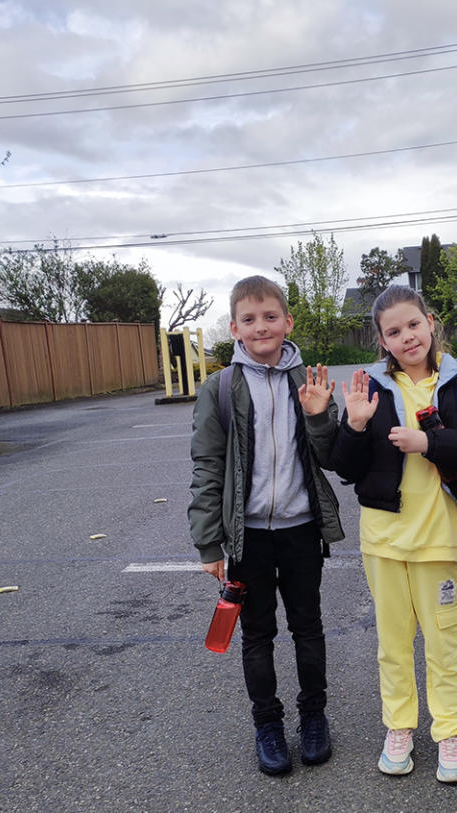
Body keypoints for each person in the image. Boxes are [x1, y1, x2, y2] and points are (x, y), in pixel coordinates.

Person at [330, 285, 457, 784]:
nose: (406, 337)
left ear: (430, 322)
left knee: (443, 643)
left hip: (439, 539)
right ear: (382, 341)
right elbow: (344, 467)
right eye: (393, 332)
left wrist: (430, 441)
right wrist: (355, 427)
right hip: (383, 540)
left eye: (412, 325)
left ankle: (450, 733)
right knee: (393, 643)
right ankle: (399, 727)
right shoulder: (373, 391)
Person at [187, 275, 344, 776]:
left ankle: (314, 718)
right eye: (249, 320)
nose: (261, 327)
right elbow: (207, 464)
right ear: (234, 327)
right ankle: (267, 723)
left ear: (287, 322)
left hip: (301, 528)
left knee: (307, 628)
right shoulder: (221, 387)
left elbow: (331, 456)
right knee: (256, 634)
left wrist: (320, 416)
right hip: (247, 535)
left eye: (270, 316)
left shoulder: (309, 382)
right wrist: (209, 540)